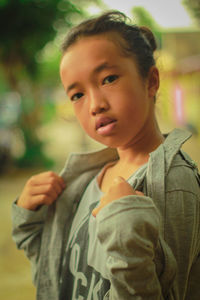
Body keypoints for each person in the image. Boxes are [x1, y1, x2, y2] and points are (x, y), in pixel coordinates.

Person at [12, 11, 200, 300]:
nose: (94, 105)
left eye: (108, 79)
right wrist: (29, 219)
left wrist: (125, 226)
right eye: (77, 95)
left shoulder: (173, 184)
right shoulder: (86, 181)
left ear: (150, 82)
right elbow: (53, 275)